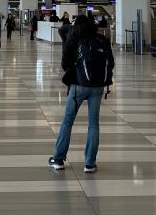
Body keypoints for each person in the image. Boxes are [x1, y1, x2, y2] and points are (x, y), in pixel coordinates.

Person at [49, 15, 114, 173]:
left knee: (68, 121)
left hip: (78, 86)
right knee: (93, 123)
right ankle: (90, 163)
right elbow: (111, 63)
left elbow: (65, 64)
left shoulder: (74, 39)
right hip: (98, 86)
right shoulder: (102, 39)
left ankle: (58, 159)